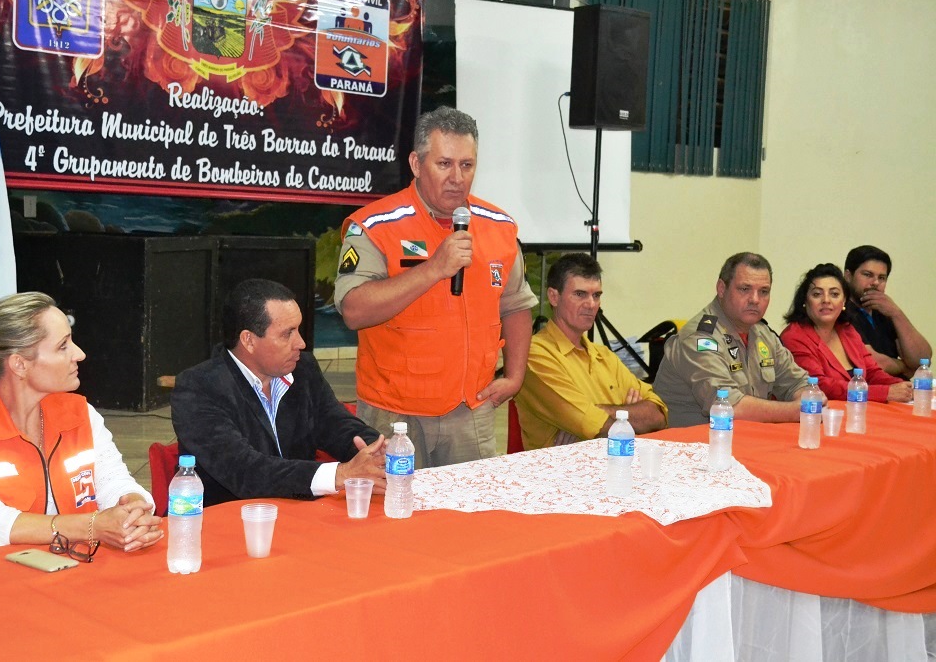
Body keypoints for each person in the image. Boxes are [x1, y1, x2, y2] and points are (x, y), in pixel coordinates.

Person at [334, 106, 538, 468]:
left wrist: (515, 376)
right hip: (394, 413)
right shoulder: (375, 226)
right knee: (397, 504)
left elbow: (516, 304)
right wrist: (433, 269)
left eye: (467, 165)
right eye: (444, 164)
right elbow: (353, 310)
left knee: (470, 504)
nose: (457, 178)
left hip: (471, 411)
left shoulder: (500, 227)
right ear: (416, 163)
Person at [0, 292, 161, 555]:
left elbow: (114, 481)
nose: (80, 354)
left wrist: (133, 507)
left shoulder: (81, 412)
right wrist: (92, 526)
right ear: (19, 364)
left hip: (72, 569)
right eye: (63, 346)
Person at [171, 279, 385, 506]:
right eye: (287, 334)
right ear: (249, 340)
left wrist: (377, 451)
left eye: (298, 329)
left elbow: (335, 424)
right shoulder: (199, 388)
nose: (301, 343)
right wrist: (339, 475)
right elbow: (244, 471)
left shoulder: (302, 369)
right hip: (231, 518)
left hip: (299, 513)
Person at [515, 254, 667, 450]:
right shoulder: (535, 355)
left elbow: (658, 416)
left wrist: (594, 414)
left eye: (596, 295)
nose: (591, 304)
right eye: (580, 294)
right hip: (563, 466)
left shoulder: (604, 355)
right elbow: (599, 429)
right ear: (553, 297)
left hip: (616, 459)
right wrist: (630, 414)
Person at [653, 252, 809, 428]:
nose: (755, 299)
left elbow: (798, 383)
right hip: (694, 442)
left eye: (764, 292)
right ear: (721, 289)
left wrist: (806, 398)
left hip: (743, 437)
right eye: (744, 289)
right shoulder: (700, 338)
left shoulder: (762, 333)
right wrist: (796, 411)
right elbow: (727, 406)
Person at [780, 263, 911, 403]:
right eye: (817, 294)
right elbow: (819, 386)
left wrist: (902, 387)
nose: (826, 300)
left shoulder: (847, 330)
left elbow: (872, 372)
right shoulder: (793, 336)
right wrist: (884, 393)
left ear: (843, 302)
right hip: (820, 413)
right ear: (805, 301)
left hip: (858, 410)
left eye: (834, 294)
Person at [843, 245, 932, 378]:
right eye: (867, 275)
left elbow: (921, 360)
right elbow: (873, 362)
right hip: (864, 388)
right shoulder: (841, 312)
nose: (875, 282)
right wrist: (905, 367)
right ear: (848, 276)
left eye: (882, 278)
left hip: (901, 387)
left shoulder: (885, 311)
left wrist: (897, 314)